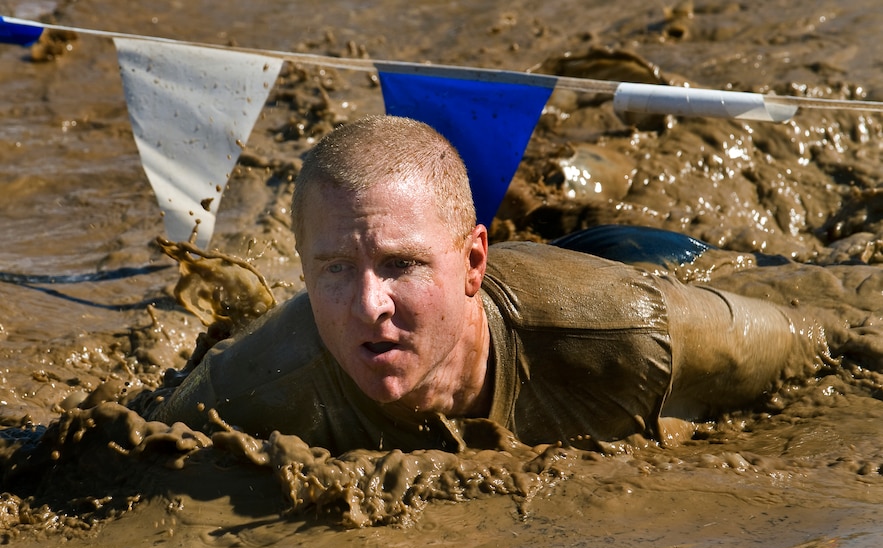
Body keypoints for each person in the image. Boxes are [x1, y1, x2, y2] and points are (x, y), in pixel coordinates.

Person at [139, 115, 833, 454]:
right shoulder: (247, 392)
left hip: (634, 262)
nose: (367, 305)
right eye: (334, 270)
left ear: (473, 263)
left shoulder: (629, 331)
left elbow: (828, 341)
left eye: (399, 264)